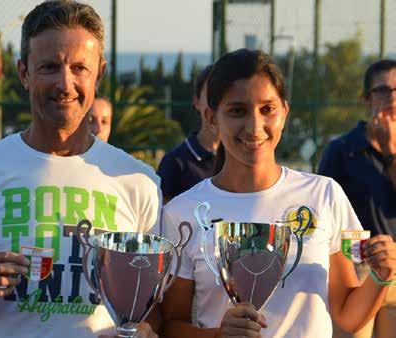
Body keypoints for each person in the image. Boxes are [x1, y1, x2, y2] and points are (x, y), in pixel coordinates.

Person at [0, 1, 161, 338]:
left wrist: (144, 331)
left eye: (80, 67)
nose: (65, 84)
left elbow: (157, 314)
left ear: (100, 73)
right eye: (50, 67)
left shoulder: (138, 182)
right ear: (24, 73)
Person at [160, 49, 396, 338]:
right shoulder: (183, 212)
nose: (254, 126)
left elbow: (347, 317)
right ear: (211, 118)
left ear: (284, 112)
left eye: (267, 109)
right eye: (237, 111)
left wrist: (380, 276)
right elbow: (169, 326)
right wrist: (219, 335)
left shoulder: (324, 195)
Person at [319, 59, 396, 338]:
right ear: (367, 99)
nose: (392, 98)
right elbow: (322, 213)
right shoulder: (341, 149)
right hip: (356, 273)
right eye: (383, 90)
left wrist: (390, 151)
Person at [157, 65, 220, 204]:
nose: (218, 103)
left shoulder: (242, 161)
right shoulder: (174, 163)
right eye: (212, 94)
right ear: (196, 102)